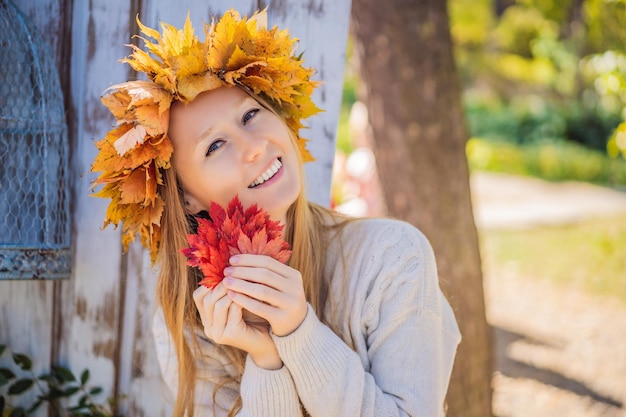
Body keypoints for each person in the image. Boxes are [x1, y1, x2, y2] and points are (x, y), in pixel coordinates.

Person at [91, 8, 461, 417]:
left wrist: (300, 332)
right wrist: (266, 358)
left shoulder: (391, 258)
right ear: (187, 200)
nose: (253, 146)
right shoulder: (193, 310)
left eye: (251, 115)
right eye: (215, 146)